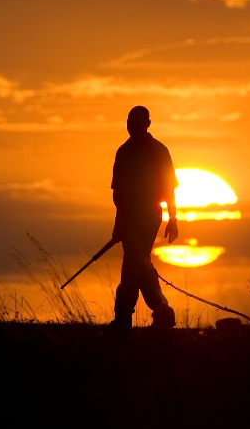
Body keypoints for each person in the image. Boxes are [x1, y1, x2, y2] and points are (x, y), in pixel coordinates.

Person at [109, 105, 179, 333]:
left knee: (132, 264)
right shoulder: (123, 151)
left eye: (138, 122)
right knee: (139, 265)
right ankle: (162, 311)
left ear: (148, 124)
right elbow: (117, 193)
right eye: (129, 121)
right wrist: (118, 225)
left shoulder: (159, 151)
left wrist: (173, 219)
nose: (133, 126)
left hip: (149, 215)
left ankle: (123, 320)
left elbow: (169, 188)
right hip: (128, 216)